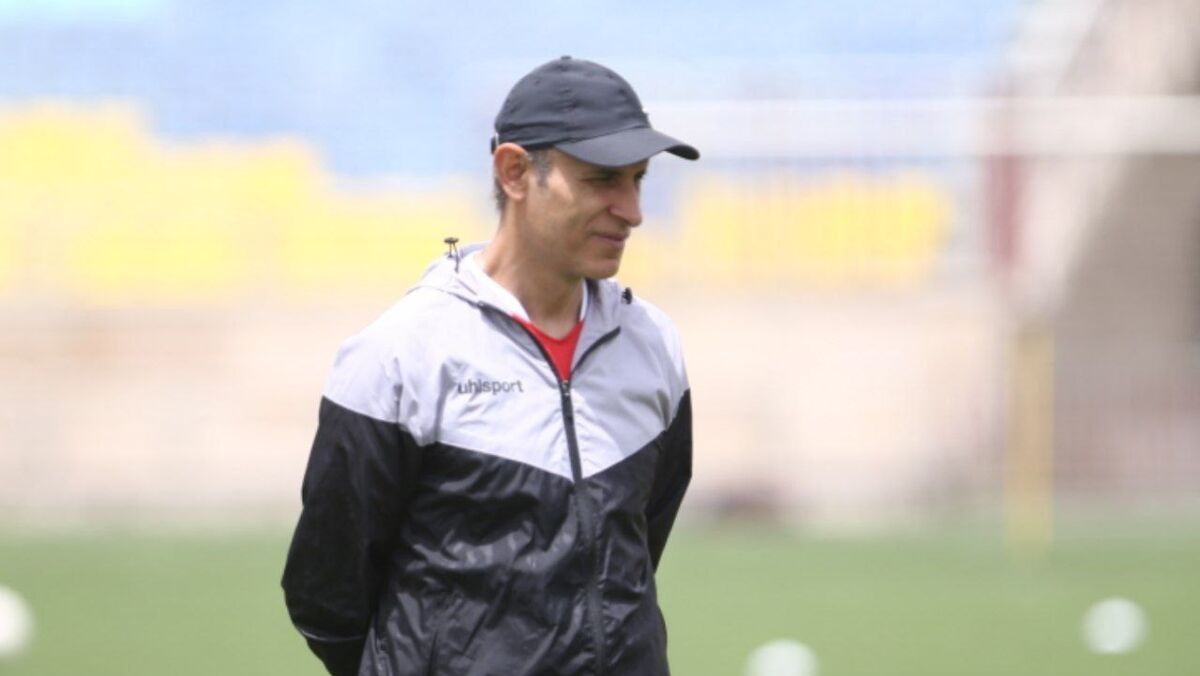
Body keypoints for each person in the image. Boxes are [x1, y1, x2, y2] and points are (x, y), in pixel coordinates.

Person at [282, 55, 698, 676]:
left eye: (638, 180)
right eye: (603, 180)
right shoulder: (402, 353)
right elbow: (326, 593)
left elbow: (637, 551)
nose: (632, 210)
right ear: (514, 172)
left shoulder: (653, 344)